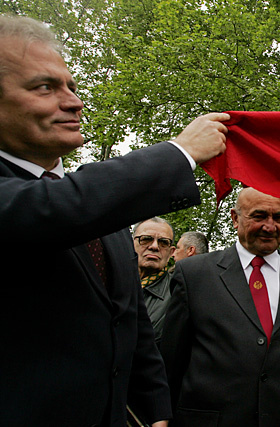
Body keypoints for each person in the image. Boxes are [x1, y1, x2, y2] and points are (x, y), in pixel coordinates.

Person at [0, 15, 229, 427]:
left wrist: (155, 410)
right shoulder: (70, 203)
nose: (74, 102)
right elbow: (52, 209)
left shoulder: (103, 215)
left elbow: (131, 321)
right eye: (44, 87)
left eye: (70, 85)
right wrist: (179, 153)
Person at [160, 187, 280, 426]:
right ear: (235, 218)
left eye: (278, 217)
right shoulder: (194, 275)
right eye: (259, 216)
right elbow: (172, 362)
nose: (270, 226)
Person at [133, 217, 176, 343]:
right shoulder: (109, 283)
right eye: (146, 239)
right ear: (131, 244)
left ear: (171, 252)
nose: (154, 246)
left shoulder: (178, 294)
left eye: (163, 242)